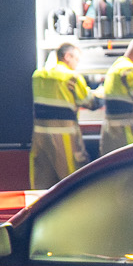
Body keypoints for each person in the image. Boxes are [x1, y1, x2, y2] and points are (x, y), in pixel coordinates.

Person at [30, 40, 97, 188]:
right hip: (65, 138)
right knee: (72, 181)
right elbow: (89, 102)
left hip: (40, 137)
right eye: (76, 59)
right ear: (67, 56)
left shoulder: (38, 75)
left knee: (43, 182)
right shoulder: (71, 77)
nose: (77, 64)